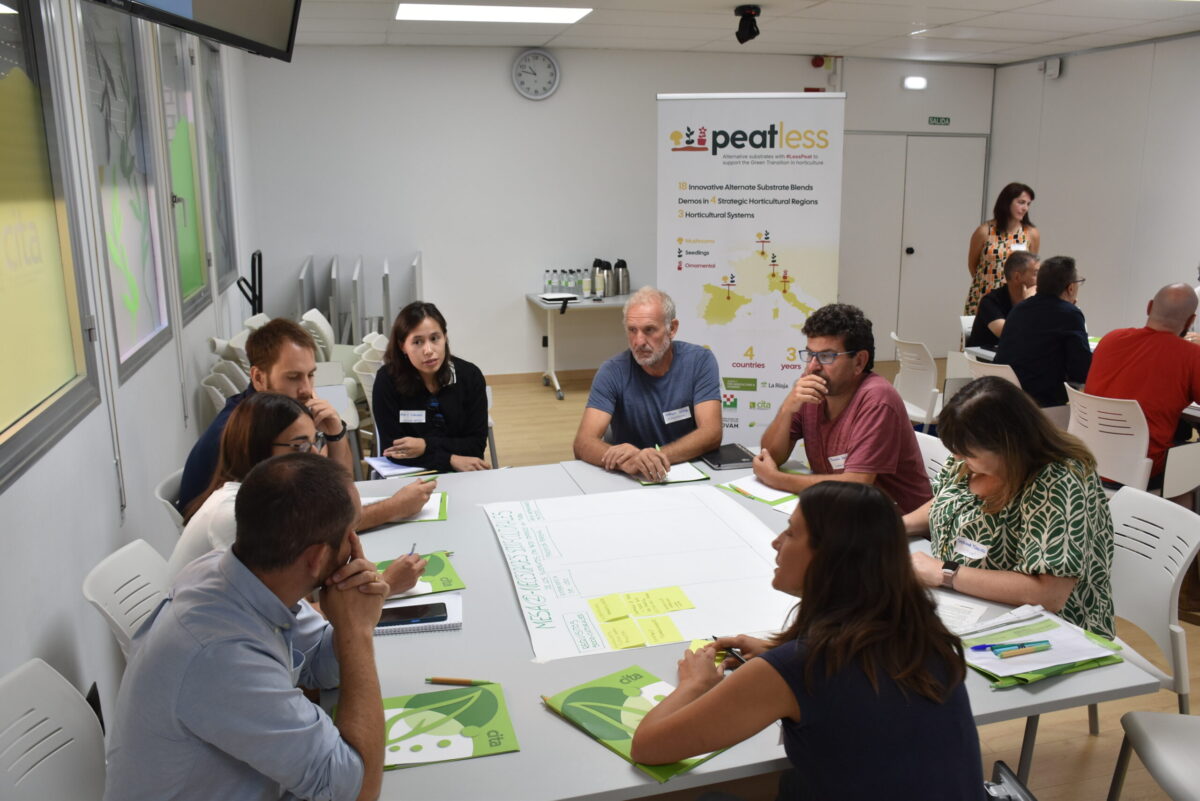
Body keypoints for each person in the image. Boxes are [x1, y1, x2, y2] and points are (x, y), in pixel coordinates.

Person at [629, 482, 984, 801]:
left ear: (829, 557)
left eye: (791, 532)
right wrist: (776, 654)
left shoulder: (796, 668)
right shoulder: (924, 634)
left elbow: (648, 746)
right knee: (795, 783)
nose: (776, 542)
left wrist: (695, 684)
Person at [104, 454, 388, 801]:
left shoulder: (235, 573)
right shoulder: (219, 653)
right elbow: (358, 790)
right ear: (315, 559)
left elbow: (320, 664)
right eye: (350, 534)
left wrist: (349, 619)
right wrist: (357, 632)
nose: (356, 546)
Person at [906, 377, 1116, 639]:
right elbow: (949, 502)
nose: (957, 457)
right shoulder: (969, 460)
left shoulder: (1059, 480)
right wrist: (897, 526)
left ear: (1008, 447)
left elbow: (1049, 594)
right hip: (968, 603)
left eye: (968, 453)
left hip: (1048, 631)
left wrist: (945, 573)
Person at [170, 392, 433, 585]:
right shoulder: (235, 516)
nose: (315, 455)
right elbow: (293, 618)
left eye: (314, 442)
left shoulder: (271, 499)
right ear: (258, 449)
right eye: (300, 446)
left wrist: (334, 432)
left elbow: (337, 507)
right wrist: (386, 584)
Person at [754, 303, 931, 514]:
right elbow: (771, 456)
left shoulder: (877, 399)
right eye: (810, 354)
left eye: (826, 356)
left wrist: (776, 479)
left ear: (859, 361)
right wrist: (787, 408)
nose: (812, 366)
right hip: (842, 510)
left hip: (896, 523)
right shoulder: (813, 386)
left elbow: (856, 486)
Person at [177, 318, 352, 512]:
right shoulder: (247, 431)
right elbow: (332, 506)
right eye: (293, 377)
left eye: (310, 375)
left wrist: (335, 433)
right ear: (259, 378)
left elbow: (335, 495)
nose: (306, 389)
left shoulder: (278, 416)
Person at [573, 287, 721, 482]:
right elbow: (583, 443)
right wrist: (630, 461)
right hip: (630, 478)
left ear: (672, 329)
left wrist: (654, 458)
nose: (639, 341)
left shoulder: (699, 361)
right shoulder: (612, 371)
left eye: (649, 330)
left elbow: (711, 432)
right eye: (632, 330)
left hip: (687, 473)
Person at [1086, 284, 1200, 488]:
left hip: (1089, 461)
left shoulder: (1111, 339)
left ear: (1149, 307)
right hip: (1143, 470)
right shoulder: (1191, 356)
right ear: (1191, 321)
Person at [374, 302, 490, 473]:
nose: (428, 350)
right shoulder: (387, 380)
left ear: (445, 338)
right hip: (410, 472)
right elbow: (392, 450)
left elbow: (475, 445)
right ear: (402, 346)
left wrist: (425, 445)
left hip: (463, 471)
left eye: (435, 338)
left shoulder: (469, 376)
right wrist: (449, 459)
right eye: (417, 342)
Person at [995, 255, 1091, 407]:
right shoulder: (1070, 314)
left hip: (1005, 398)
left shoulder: (1019, 309)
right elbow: (1081, 372)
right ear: (1071, 287)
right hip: (1040, 405)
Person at [965, 182, 1040, 315]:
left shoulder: (1030, 233)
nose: (1025, 208)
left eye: (1028, 204)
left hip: (1015, 300)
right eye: (1021, 202)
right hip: (985, 295)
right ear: (1007, 202)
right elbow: (973, 266)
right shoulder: (984, 231)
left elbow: (1032, 268)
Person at [966, 250, 1040, 349]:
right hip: (986, 355)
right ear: (1017, 277)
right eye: (1036, 274)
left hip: (1017, 353)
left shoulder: (1038, 299)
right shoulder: (990, 301)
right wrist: (1026, 304)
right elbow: (1009, 335)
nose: (1041, 279)